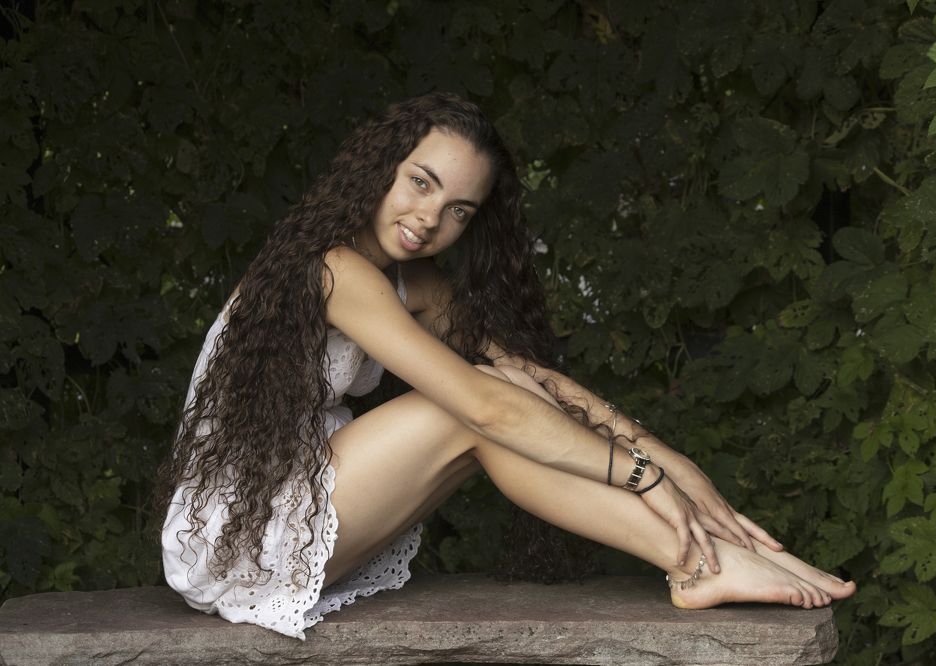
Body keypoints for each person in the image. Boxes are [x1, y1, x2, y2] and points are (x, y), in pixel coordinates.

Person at [156, 92, 856, 640]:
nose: (430, 218)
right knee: (471, 410)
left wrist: (670, 463)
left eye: (458, 208)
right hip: (238, 535)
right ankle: (700, 562)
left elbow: (531, 382)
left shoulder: (413, 282)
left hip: (300, 505)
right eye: (419, 183)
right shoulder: (333, 269)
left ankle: (712, 550)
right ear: (378, 169)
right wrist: (642, 477)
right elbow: (483, 406)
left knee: (507, 392)